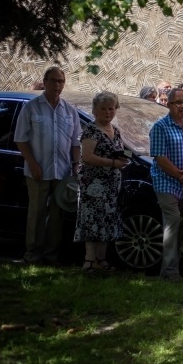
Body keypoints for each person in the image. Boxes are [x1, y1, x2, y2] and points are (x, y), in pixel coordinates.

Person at [14, 66, 82, 264]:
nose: (57, 85)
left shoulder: (70, 111)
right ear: (44, 82)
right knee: (36, 214)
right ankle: (32, 255)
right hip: (38, 170)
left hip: (62, 171)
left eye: (61, 81)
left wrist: (76, 165)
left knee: (56, 216)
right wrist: (33, 164)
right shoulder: (31, 107)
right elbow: (20, 139)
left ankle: (51, 256)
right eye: (53, 81)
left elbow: (76, 142)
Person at [149, 87, 183, 280]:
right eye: (177, 103)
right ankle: (170, 272)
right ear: (169, 105)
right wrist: (181, 175)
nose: (182, 106)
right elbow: (160, 158)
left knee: (181, 226)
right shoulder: (160, 127)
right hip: (166, 182)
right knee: (172, 221)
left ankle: (174, 269)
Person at [75, 92, 130, 272]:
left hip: (111, 184)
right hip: (94, 184)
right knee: (92, 220)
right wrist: (113, 163)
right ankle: (89, 260)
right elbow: (88, 157)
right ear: (95, 111)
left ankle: (101, 259)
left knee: (107, 219)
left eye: (111, 109)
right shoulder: (90, 130)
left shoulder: (116, 130)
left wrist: (124, 159)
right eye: (103, 109)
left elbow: (120, 151)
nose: (108, 112)